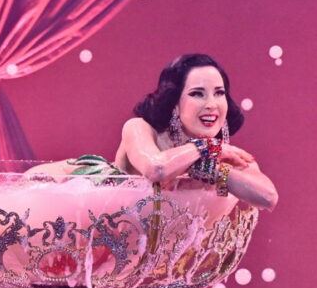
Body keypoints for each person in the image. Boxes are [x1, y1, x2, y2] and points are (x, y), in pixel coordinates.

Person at [29, 53, 278, 211]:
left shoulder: (225, 155)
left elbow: (268, 198)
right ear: (174, 102)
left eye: (219, 93)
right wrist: (206, 147)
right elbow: (156, 169)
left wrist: (211, 169)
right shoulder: (139, 128)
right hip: (65, 198)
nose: (211, 104)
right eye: (197, 94)